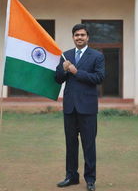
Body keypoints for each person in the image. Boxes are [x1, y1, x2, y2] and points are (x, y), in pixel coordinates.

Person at [55, 24, 105, 191]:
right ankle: (71, 176)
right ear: (73, 37)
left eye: (82, 35)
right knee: (70, 144)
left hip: (88, 108)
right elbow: (58, 79)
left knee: (89, 144)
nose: (79, 37)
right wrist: (63, 70)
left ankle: (90, 179)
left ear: (87, 37)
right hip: (69, 107)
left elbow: (99, 78)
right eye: (76, 35)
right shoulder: (66, 55)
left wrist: (76, 72)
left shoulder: (97, 56)